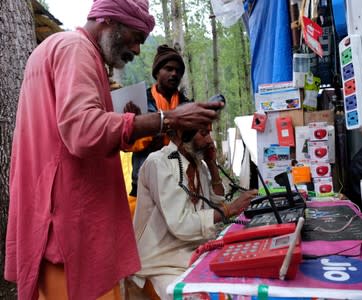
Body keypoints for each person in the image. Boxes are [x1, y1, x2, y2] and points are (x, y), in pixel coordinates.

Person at [4, 0, 223, 299]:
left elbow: (66, 132)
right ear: (109, 20)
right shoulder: (75, 49)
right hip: (69, 228)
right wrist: (167, 119)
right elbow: (82, 131)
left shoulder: (59, 48)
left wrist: (131, 122)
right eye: (136, 38)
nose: (136, 50)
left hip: (53, 216)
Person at [130, 126, 258, 299]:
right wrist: (230, 209)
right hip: (162, 262)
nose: (209, 141)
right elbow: (181, 224)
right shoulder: (159, 163)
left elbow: (217, 205)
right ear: (183, 132)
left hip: (195, 252)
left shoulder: (200, 165)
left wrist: (212, 165)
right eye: (204, 134)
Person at [125, 44, 190, 217]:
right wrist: (145, 133)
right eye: (168, 69)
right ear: (157, 72)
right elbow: (126, 143)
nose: (174, 74)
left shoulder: (187, 105)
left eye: (178, 70)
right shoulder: (139, 103)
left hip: (180, 183)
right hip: (143, 185)